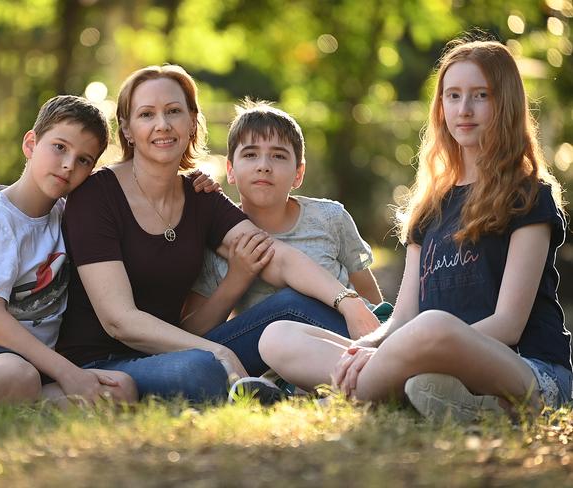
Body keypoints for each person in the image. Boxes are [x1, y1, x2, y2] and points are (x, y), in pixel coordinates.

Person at [258, 38, 572, 422]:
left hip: (523, 368)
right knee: (277, 336)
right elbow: (403, 317)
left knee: (435, 326)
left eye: (480, 95)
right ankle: (423, 396)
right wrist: (371, 347)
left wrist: (400, 352)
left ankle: (327, 401)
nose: (464, 109)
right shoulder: (431, 205)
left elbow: (508, 325)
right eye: (453, 96)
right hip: (426, 360)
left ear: (504, 103)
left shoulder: (528, 196)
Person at [55, 65, 381, 403]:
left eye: (174, 111)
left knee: (292, 304)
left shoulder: (199, 195)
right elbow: (119, 321)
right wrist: (216, 352)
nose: (162, 125)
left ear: (192, 120)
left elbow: (277, 259)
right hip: (110, 362)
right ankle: (357, 383)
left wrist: (349, 302)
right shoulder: (96, 196)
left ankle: (387, 366)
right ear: (127, 128)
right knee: (200, 370)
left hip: (184, 348)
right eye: (146, 114)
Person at [0, 95, 138, 407]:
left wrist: (191, 183)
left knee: (119, 390)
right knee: (20, 377)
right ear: (31, 144)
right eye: (59, 147)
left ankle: (6, 403)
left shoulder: (68, 214)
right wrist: (67, 371)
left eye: (83, 160)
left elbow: (130, 194)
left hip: (22, 359)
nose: (68, 164)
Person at [184, 99, 386, 334]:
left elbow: (369, 299)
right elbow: (193, 330)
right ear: (230, 171)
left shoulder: (330, 218)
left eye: (278, 156)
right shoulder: (218, 239)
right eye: (250, 155)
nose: (264, 166)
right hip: (273, 356)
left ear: (298, 174)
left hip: (341, 340)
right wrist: (237, 276)